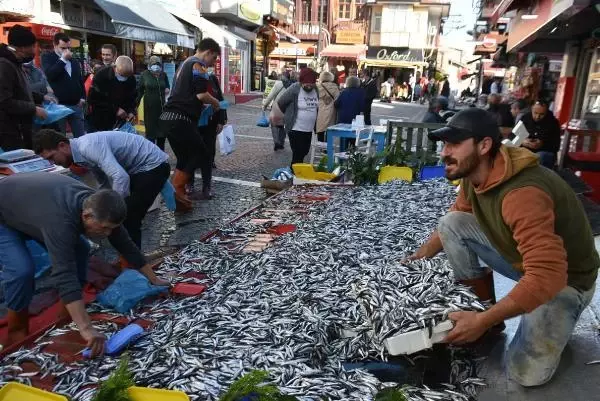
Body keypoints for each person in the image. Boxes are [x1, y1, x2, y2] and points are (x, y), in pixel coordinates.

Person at [407, 107, 598, 388]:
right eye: (445, 144)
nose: (445, 153)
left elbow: (547, 275)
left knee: (526, 374)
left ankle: (537, 317)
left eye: (455, 144)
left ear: (484, 145)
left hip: (566, 280)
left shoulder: (523, 194)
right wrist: (418, 256)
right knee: (452, 223)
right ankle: (484, 312)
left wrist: (482, 320)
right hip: (526, 262)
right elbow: (458, 213)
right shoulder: (476, 175)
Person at [0, 173, 168, 354]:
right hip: (4, 215)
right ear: (86, 216)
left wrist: (154, 278)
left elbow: (126, 245)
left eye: (112, 228)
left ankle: (67, 315)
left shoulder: (102, 206)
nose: (108, 233)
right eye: (104, 228)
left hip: (30, 208)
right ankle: (16, 332)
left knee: (81, 249)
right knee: (21, 270)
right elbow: (64, 273)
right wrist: (87, 328)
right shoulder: (61, 223)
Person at [33, 129, 170, 253]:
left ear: (62, 145)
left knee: (128, 217)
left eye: (51, 157)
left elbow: (120, 177)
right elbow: (103, 181)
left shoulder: (87, 147)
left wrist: (112, 207)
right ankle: (128, 257)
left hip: (153, 166)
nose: (52, 163)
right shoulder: (79, 153)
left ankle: (134, 263)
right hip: (137, 169)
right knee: (119, 214)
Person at [159, 38, 221, 212]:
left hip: (168, 118)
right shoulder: (197, 65)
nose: (213, 62)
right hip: (180, 119)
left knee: (185, 158)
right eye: (214, 58)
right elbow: (202, 94)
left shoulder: (184, 64)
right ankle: (176, 190)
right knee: (201, 153)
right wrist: (215, 102)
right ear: (208, 52)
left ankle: (179, 198)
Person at [0, 25, 47, 151]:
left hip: (20, 128)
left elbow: (19, 90)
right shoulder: (5, 65)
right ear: (20, 48)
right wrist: (33, 109)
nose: (34, 51)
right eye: (31, 47)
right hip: (10, 131)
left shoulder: (16, 63)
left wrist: (41, 97)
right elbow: (5, 101)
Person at [42, 32, 86, 138]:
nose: (66, 51)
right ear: (55, 45)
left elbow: (79, 80)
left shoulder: (74, 61)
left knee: (81, 138)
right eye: (63, 48)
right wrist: (63, 60)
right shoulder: (48, 57)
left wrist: (83, 97)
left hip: (76, 104)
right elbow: (50, 74)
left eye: (68, 48)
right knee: (60, 137)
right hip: (58, 105)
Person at [277, 68, 319, 166]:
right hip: (295, 127)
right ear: (301, 81)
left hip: (308, 128)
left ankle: (296, 173)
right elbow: (281, 102)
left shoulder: (316, 89)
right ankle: (294, 174)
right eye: (306, 83)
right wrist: (289, 115)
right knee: (298, 153)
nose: (309, 86)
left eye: (311, 83)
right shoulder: (295, 88)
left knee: (305, 151)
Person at [87, 56, 137, 132]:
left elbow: (132, 97)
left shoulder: (130, 78)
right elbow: (93, 99)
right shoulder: (101, 75)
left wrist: (131, 111)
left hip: (121, 119)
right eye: (121, 75)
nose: (123, 78)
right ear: (115, 68)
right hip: (102, 118)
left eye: (126, 76)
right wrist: (116, 109)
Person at [136, 55, 170, 151]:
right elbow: (139, 91)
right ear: (149, 65)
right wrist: (135, 106)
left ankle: (161, 157)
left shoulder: (163, 74)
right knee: (151, 135)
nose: (156, 66)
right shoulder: (145, 75)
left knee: (162, 135)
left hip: (162, 109)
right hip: (150, 110)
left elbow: (167, 86)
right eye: (154, 64)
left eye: (158, 64)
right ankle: (151, 157)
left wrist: (167, 88)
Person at [520, 100, 561, 169]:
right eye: (535, 113)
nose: (537, 116)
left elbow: (556, 146)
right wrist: (523, 141)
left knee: (541, 156)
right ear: (532, 109)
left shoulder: (553, 122)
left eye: (541, 114)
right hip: (525, 150)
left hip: (543, 153)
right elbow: (512, 135)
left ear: (546, 112)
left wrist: (542, 144)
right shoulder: (525, 118)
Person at [263, 70, 293, 150]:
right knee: (283, 125)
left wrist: (265, 105)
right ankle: (281, 142)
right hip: (287, 108)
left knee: (274, 125)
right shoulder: (292, 85)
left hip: (277, 107)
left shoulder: (278, 83)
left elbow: (271, 95)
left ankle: (276, 141)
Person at [335, 76, 366, 151]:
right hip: (354, 120)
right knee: (353, 139)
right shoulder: (361, 92)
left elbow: (336, 104)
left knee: (343, 139)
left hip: (343, 118)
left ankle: (342, 155)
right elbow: (363, 107)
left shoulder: (344, 92)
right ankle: (352, 156)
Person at [316, 71, 339, 143]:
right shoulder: (335, 87)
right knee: (329, 130)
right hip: (331, 111)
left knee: (320, 129)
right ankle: (328, 147)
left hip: (320, 111)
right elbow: (337, 99)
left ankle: (321, 147)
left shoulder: (317, 87)